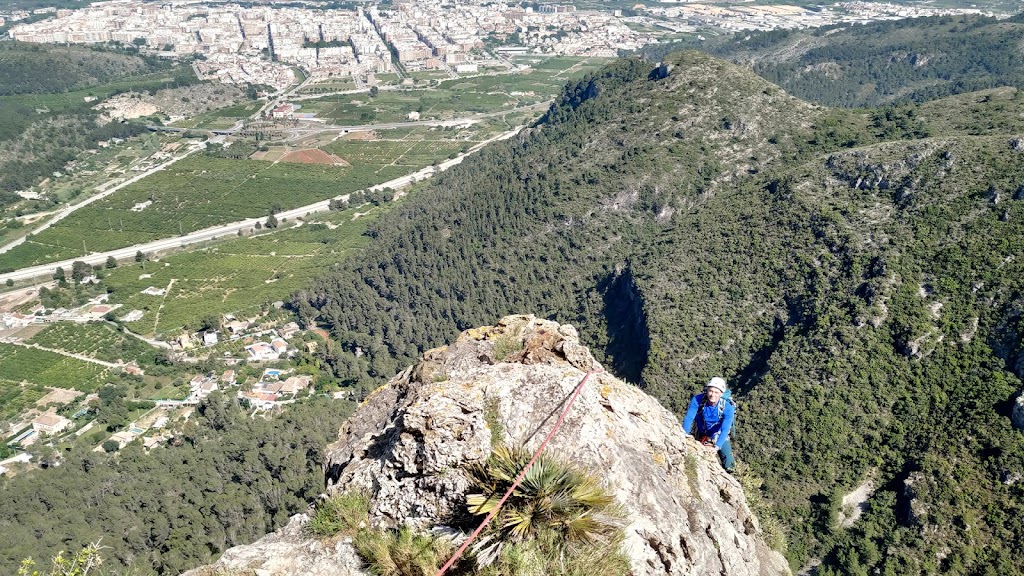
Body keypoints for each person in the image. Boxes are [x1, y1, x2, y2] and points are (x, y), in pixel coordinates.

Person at [682, 376, 736, 473]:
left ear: (721, 394)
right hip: (700, 431)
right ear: (707, 390)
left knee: (730, 466)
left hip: (717, 434)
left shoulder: (727, 408)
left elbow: (725, 429)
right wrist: (684, 435)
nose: (712, 395)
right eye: (710, 391)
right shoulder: (698, 400)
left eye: (716, 392)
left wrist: (716, 447)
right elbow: (689, 417)